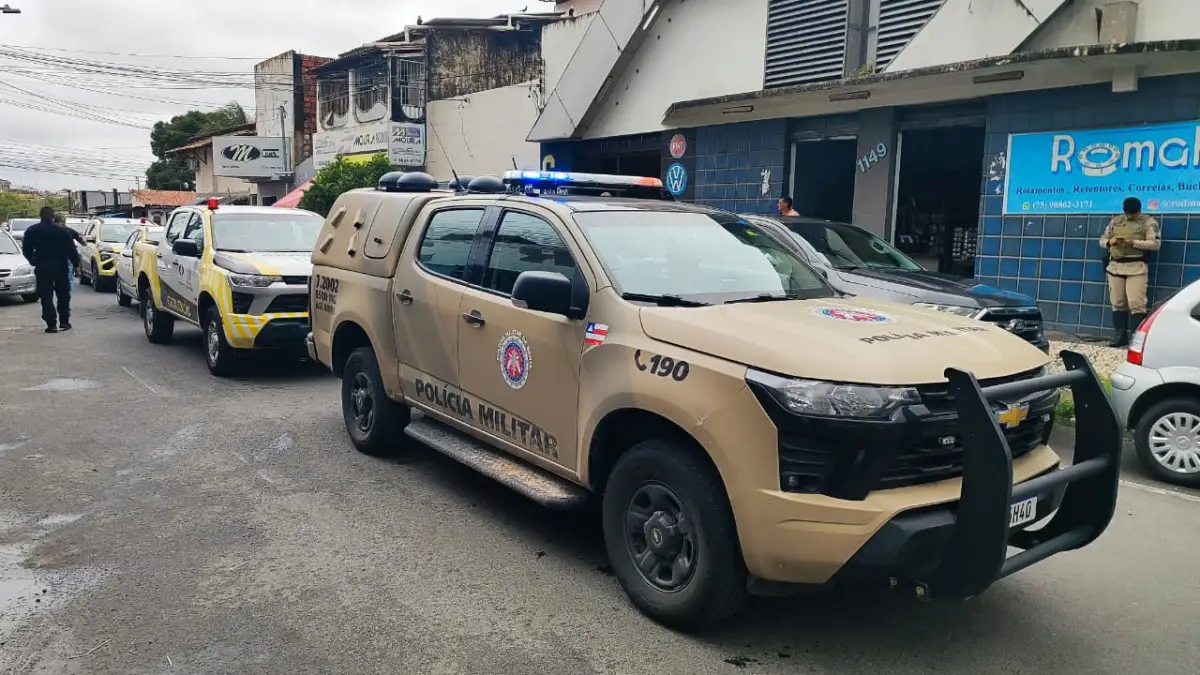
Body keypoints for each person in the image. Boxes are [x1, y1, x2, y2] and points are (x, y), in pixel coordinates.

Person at [1099, 196, 1160, 347]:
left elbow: (1155, 244)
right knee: (1117, 302)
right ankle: (1120, 336)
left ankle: (1136, 338)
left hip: (1136, 267)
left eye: (1132, 213)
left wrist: (1133, 243)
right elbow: (1102, 240)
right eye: (1127, 213)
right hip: (1115, 266)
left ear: (1138, 211)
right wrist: (1110, 242)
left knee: (1136, 303)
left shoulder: (1148, 222)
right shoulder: (1116, 221)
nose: (1129, 216)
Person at [21, 206, 81, 333]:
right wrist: (76, 265)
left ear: (40, 216)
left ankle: (51, 324)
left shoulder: (33, 230)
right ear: (53, 216)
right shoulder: (62, 231)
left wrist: (32, 260)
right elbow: (71, 250)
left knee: (46, 295)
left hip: (42, 265)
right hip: (61, 265)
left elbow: (26, 248)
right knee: (63, 294)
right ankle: (64, 321)